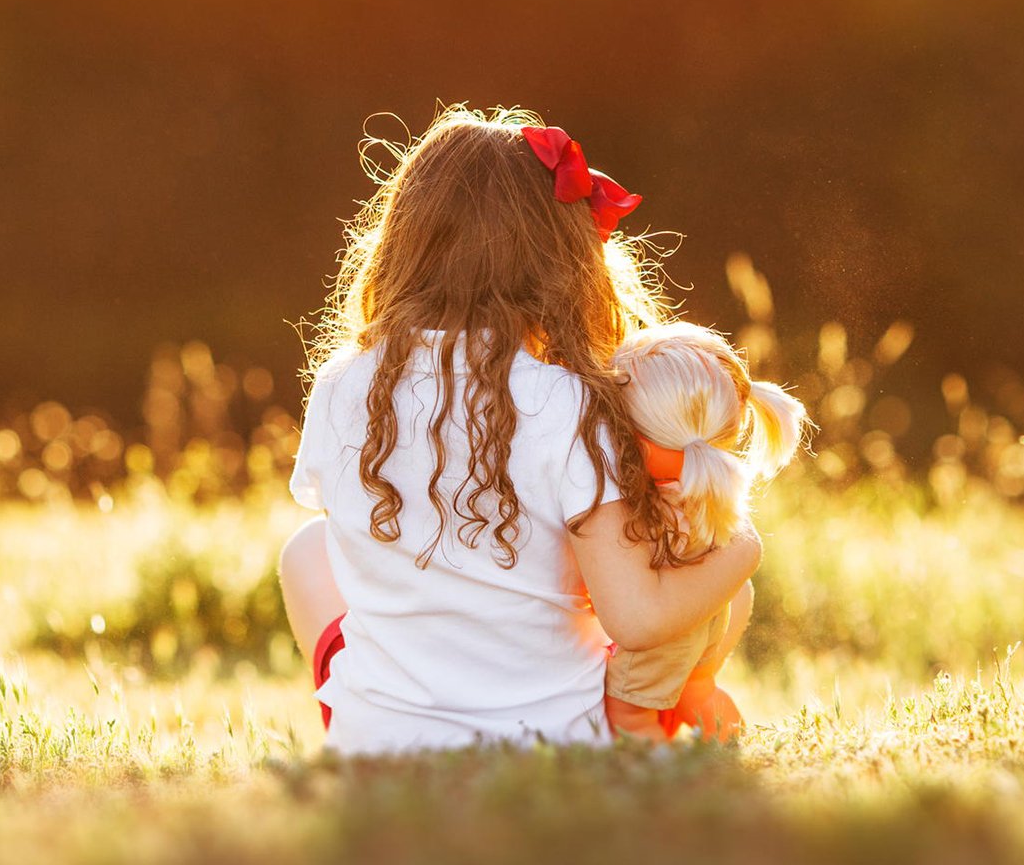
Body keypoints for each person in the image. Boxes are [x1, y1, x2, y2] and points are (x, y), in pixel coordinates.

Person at [277, 105, 763, 752]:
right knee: (708, 580)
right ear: (565, 264)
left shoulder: (343, 381)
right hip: (552, 737)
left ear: (405, 243)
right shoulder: (567, 402)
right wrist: (744, 551)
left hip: (379, 742)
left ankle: (387, 719)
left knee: (307, 551)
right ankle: (648, 722)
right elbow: (639, 619)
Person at [602, 323, 806, 741]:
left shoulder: (660, 500)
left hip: (669, 625)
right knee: (698, 691)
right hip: (715, 610)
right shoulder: (703, 490)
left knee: (628, 712)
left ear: (642, 439)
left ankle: (654, 780)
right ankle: (734, 743)